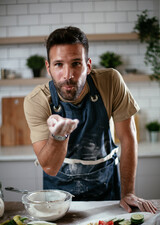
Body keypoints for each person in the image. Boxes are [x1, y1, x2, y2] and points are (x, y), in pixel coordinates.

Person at [24, 26, 156, 213]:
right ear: (48, 68)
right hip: (59, 198)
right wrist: (58, 137)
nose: (68, 75)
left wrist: (128, 193)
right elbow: (50, 167)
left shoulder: (110, 82)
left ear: (88, 65)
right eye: (59, 64)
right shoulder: (36, 101)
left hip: (106, 188)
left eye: (76, 63)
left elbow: (128, 138)